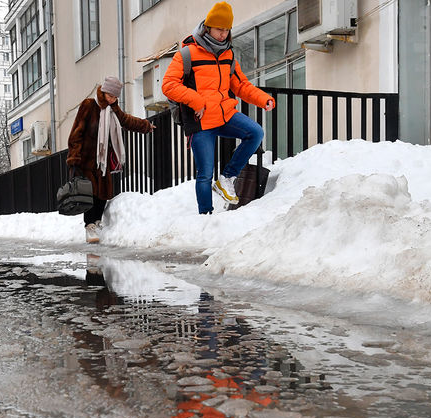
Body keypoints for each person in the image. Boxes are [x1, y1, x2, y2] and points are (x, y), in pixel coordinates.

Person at [162, 1, 275, 215]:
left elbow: (240, 85)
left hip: (225, 115)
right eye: (219, 29)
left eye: (226, 30)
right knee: (204, 173)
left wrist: (263, 99)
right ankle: (206, 215)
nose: (223, 34)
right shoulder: (187, 54)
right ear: (208, 28)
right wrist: (197, 101)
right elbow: (168, 85)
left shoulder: (229, 55)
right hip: (200, 121)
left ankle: (227, 178)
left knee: (255, 132)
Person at [67, 76, 155, 243]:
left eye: (116, 97)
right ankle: (90, 227)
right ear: (104, 92)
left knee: (103, 194)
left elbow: (127, 120)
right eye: (111, 96)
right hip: (85, 159)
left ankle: (98, 222)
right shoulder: (88, 105)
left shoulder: (113, 110)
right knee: (90, 194)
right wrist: (74, 159)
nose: (113, 99)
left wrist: (146, 125)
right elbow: (76, 133)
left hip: (103, 160)